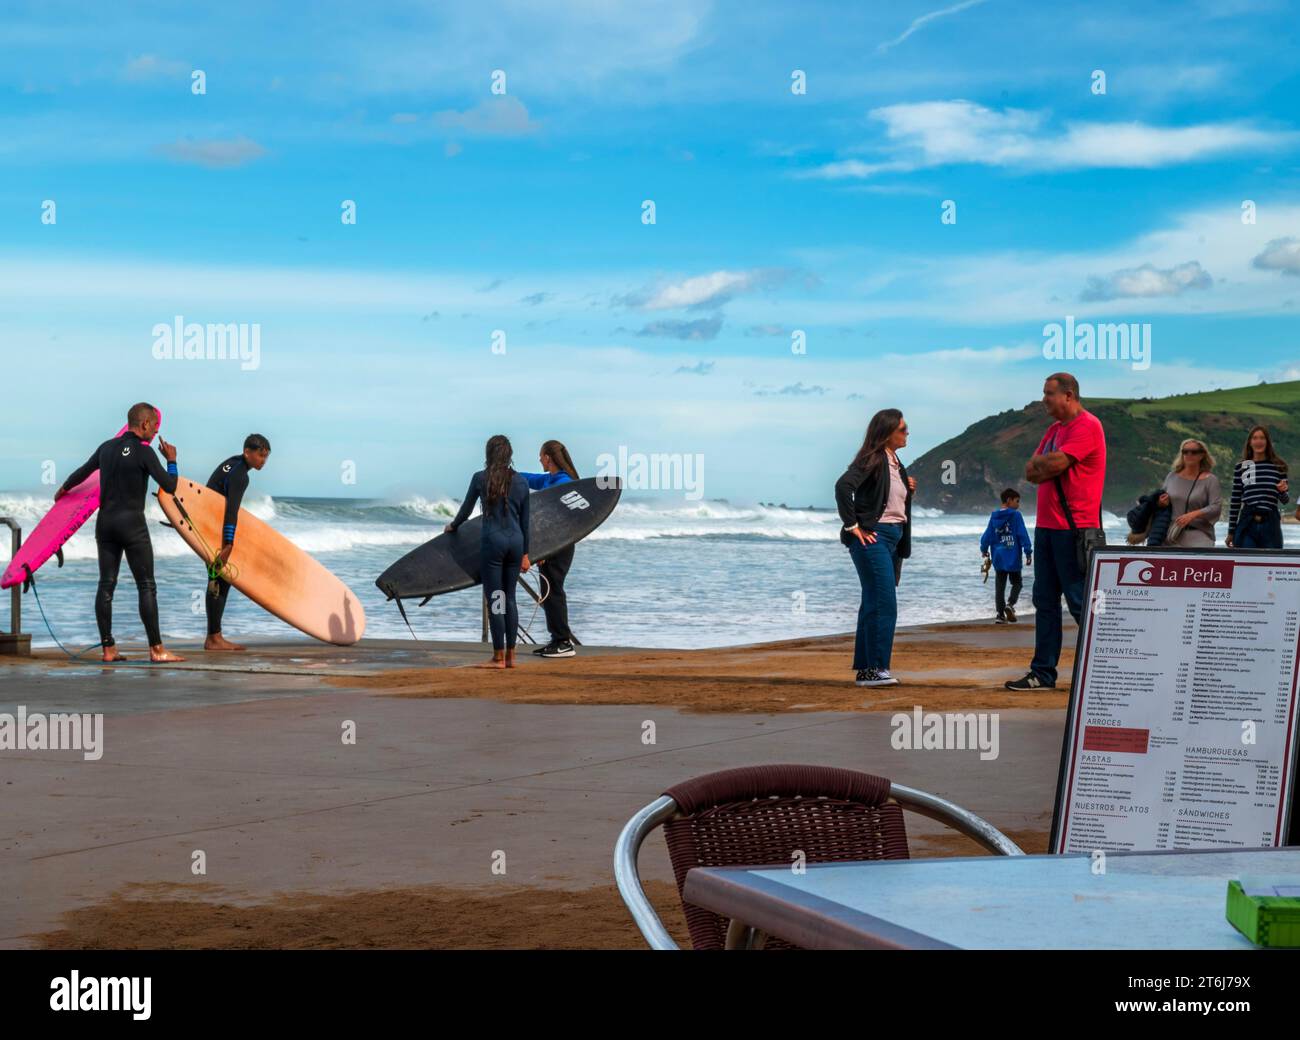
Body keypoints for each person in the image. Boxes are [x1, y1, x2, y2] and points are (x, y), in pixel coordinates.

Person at [55, 403, 185, 663]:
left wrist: (63, 489)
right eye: (156, 426)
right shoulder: (146, 453)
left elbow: (82, 472)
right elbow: (170, 486)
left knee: (106, 584)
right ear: (145, 424)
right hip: (132, 525)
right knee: (146, 585)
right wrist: (172, 460)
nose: (157, 431)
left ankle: (108, 649)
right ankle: (157, 650)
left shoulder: (106, 448)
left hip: (105, 524)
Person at [1005, 374, 1106, 691]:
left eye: (1049, 394)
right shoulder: (1053, 431)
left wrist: (1047, 464)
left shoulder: (1088, 426)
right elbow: (1031, 470)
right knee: (1044, 601)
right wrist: (1045, 464)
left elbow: (1053, 465)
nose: (1044, 399)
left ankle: (1107, 671)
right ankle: (1043, 673)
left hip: (1074, 528)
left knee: (1080, 602)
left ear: (1069, 395)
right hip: (1047, 527)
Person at [834, 409, 915, 688]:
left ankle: (867, 670)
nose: (907, 434)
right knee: (884, 603)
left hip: (892, 539)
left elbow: (889, 499)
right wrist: (851, 526)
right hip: (874, 537)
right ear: (887, 432)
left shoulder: (895, 462)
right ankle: (876, 668)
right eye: (902, 429)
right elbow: (844, 486)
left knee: (873, 602)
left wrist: (907, 486)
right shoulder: (874, 457)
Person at [445, 435, 531, 668]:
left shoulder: (480, 478)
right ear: (509, 454)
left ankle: (498, 657)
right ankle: (512, 656)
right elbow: (525, 522)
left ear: (488, 453)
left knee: (496, 599)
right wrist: (526, 554)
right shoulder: (522, 482)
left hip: (493, 544)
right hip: (516, 544)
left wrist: (453, 526)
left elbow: (465, 510)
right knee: (510, 598)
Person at [202, 434, 272, 651]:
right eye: (260, 455)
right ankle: (214, 638)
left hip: (204, 525)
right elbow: (231, 511)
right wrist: (228, 544)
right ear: (247, 452)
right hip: (214, 531)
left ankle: (214, 636)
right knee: (220, 579)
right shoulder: (240, 475)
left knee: (219, 579)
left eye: (266, 457)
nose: (263, 461)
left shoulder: (231, 464)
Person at [520, 439, 579, 659]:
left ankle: (564, 642)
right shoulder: (551, 479)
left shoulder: (562, 482)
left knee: (553, 591)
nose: (539, 459)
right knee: (548, 592)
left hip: (559, 546)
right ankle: (557, 639)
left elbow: (554, 522)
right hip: (552, 545)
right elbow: (527, 478)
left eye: (541, 455)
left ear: (548, 457)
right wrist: (505, 471)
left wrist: (545, 551)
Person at [1226, 426, 1288, 550]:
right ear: (1250, 442)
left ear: (1267, 442)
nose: (1258, 441)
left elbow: (1285, 500)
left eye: (1262, 438)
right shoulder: (1242, 467)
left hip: (1270, 521)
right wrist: (1231, 532)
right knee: (1245, 562)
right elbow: (1235, 501)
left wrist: (1282, 491)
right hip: (1247, 521)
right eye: (1255, 438)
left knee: (1270, 562)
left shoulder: (1278, 466)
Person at [980, 488, 1032, 624]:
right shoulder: (1016, 515)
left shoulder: (994, 516)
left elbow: (987, 535)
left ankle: (1000, 615)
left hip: (998, 556)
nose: (1018, 504)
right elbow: (1022, 534)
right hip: (1013, 556)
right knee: (1017, 583)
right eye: (1017, 501)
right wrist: (1028, 551)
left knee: (1000, 586)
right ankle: (1010, 604)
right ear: (1009, 500)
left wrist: (984, 549)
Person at [1158, 438, 1222, 547]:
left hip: (1198, 534)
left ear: (1201, 455)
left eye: (1193, 452)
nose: (1189, 454)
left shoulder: (1210, 480)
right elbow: (1161, 501)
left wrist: (1193, 514)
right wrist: (1161, 502)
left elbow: (1216, 507)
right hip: (1170, 534)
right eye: (1185, 451)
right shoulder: (1171, 476)